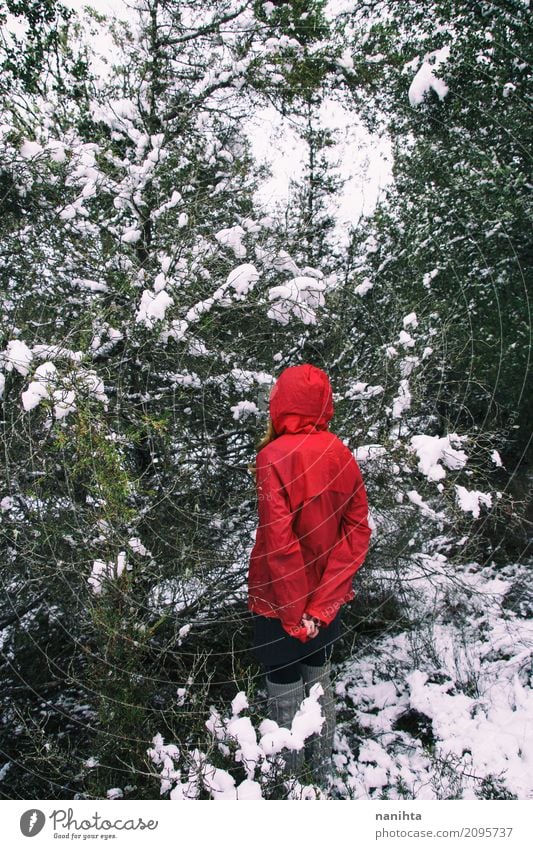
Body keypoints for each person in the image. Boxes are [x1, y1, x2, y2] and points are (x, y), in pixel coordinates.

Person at [247, 363, 372, 784]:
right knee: (318, 680)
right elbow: (356, 534)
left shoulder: (271, 458)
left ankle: (292, 787)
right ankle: (321, 777)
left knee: (284, 689)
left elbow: (280, 545)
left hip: (279, 604)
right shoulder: (339, 452)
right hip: (322, 605)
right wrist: (321, 607)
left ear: (280, 403)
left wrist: (291, 615)